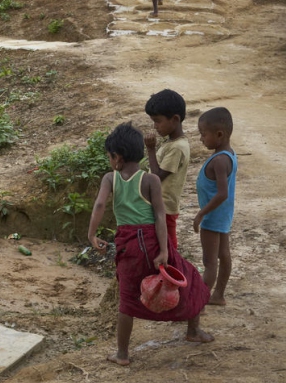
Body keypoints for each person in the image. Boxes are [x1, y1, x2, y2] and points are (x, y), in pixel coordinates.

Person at [87, 123, 213, 366]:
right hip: (153, 243)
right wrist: (165, 250)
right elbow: (159, 216)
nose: (110, 161)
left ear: (117, 158)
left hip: (127, 245)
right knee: (190, 279)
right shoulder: (151, 180)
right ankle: (193, 330)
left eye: (109, 156)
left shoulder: (109, 179)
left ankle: (122, 354)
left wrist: (92, 235)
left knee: (127, 299)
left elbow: (100, 206)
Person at [194, 107, 237, 307]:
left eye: (203, 134)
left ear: (219, 134)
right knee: (224, 254)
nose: (201, 139)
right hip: (223, 215)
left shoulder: (219, 160)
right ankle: (218, 295)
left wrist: (201, 214)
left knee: (209, 263)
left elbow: (222, 193)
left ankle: (199, 303)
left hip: (212, 217)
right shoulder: (228, 154)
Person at [144, 89, 190, 250]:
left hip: (165, 207)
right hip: (160, 205)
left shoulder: (177, 148)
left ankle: (172, 269)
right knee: (161, 242)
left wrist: (150, 149)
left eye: (157, 121)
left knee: (168, 244)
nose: (155, 126)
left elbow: (157, 177)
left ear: (175, 119)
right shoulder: (171, 143)